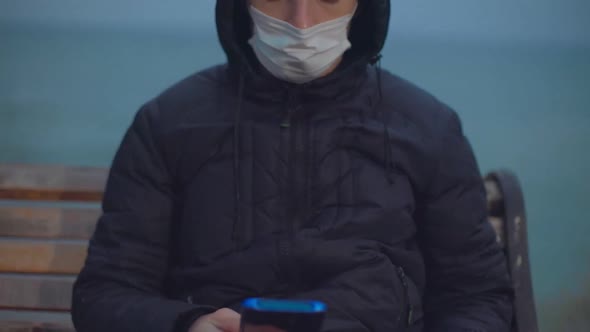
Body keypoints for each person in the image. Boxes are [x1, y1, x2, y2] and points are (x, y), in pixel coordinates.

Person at [71, 0, 513, 331]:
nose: (301, 21)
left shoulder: (428, 126)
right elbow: (105, 293)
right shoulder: (168, 123)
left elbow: (477, 297)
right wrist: (186, 324)